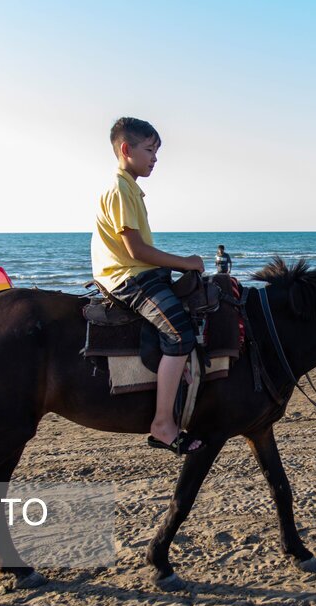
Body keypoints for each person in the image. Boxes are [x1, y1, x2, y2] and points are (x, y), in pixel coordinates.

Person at [91, 117, 205, 455]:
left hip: (139, 273)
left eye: (157, 151)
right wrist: (187, 262)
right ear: (127, 150)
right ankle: (162, 424)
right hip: (127, 277)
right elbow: (136, 251)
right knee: (179, 333)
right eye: (150, 150)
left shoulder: (131, 189)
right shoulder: (119, 189)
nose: (155, 158)